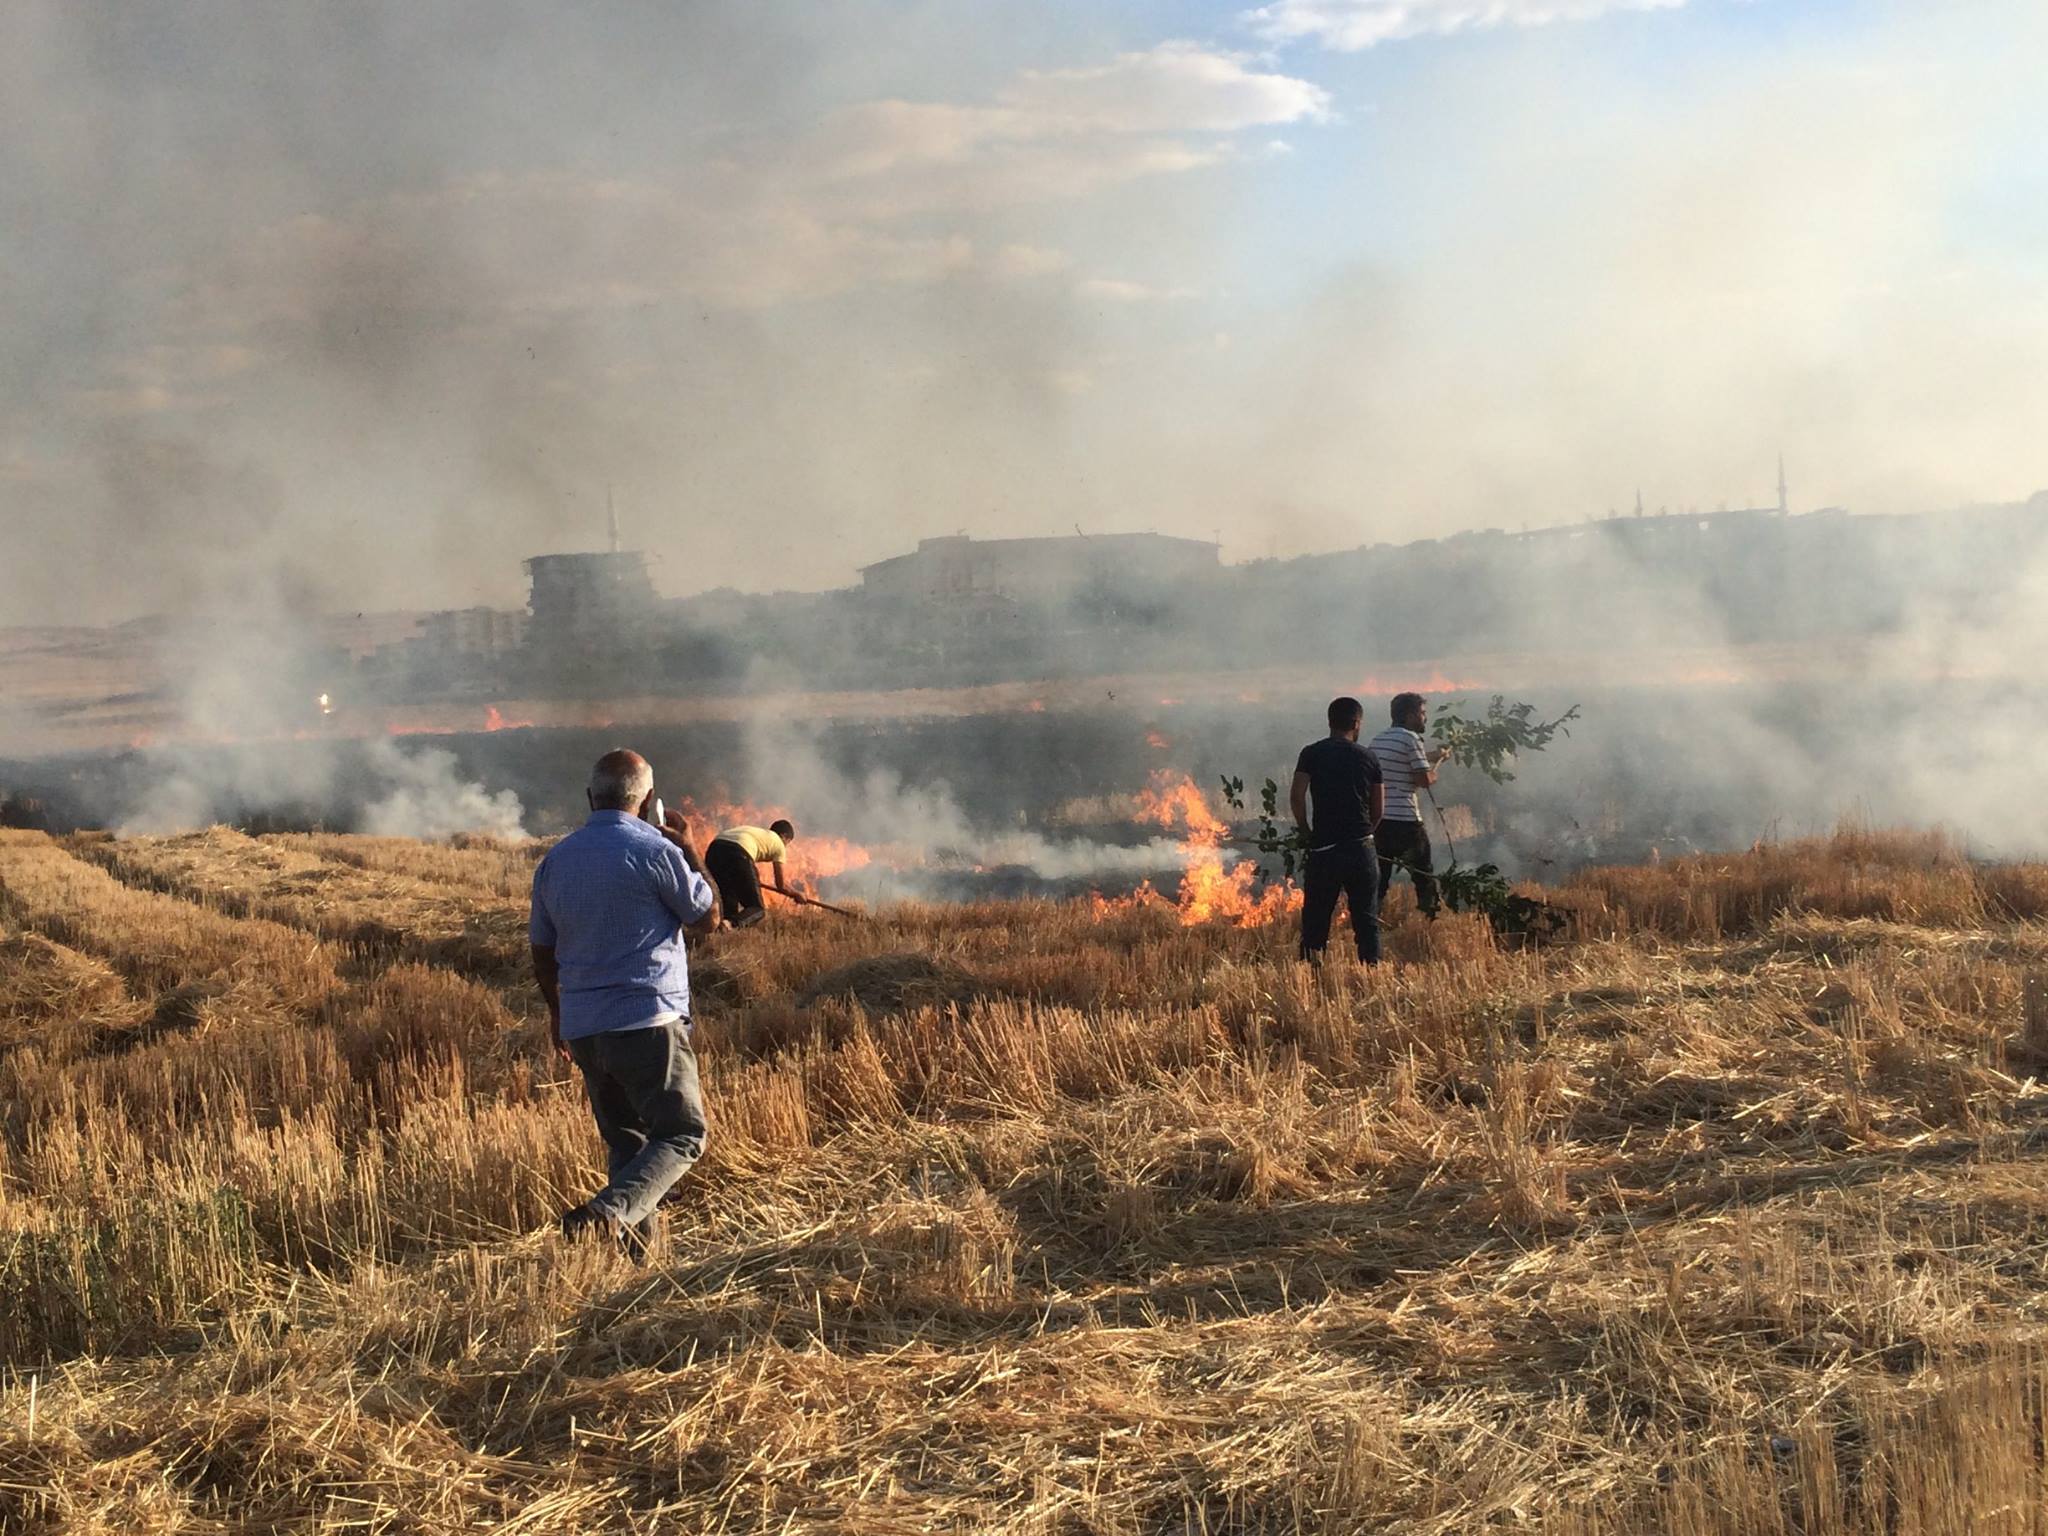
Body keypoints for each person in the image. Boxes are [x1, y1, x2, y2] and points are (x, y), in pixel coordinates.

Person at [530, 748, 720, 1259]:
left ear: (590, 798)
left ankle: (639, 1268)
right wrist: (691, 850)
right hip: (648, 1020)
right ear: (650, 800)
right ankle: (604, 1215)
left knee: (630, 1147)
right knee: (683, 1134)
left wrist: (557, 1014)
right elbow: (708, 919)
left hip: (586, 1028)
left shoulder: (555, 861)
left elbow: (542, 952)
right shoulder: (657, 851)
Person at [1290, 696, 1386, 964]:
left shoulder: (1311, 753)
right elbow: (1379, 809)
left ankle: (1311, 978)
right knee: (1367, 922)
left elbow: (1297, 795)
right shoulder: (1368, 757)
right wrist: (1366, 834)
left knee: (1315, 922)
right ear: (1356, 723)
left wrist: (1305, 830)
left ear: (1329, 721)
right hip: (1361, 849)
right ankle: (1373, 973)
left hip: (1324, 849)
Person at [1369, 692, 1451, 919]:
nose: (1425, 718)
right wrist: (1435, 770)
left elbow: (1403, 759)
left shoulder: (1379, 740)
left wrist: (1435, 755)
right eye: (1422, 713)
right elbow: (1422, 779)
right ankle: (1431, 920)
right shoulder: (1411, 739)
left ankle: (1370, 920)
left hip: (1379, 821)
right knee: (1424, 876)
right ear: (1409, 715)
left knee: (1378, 879)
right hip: (1405, 822)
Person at [705, 819, 796, 929]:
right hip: (738, 853)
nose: (786, 846)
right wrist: (796, 894)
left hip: (714, 850)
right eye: (788, 842)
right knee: (757, 909)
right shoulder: (779, 843)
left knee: (729, 905)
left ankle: (721, 928)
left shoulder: (756, 833)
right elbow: (780, 884)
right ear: (784, 836)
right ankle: (730, 925)